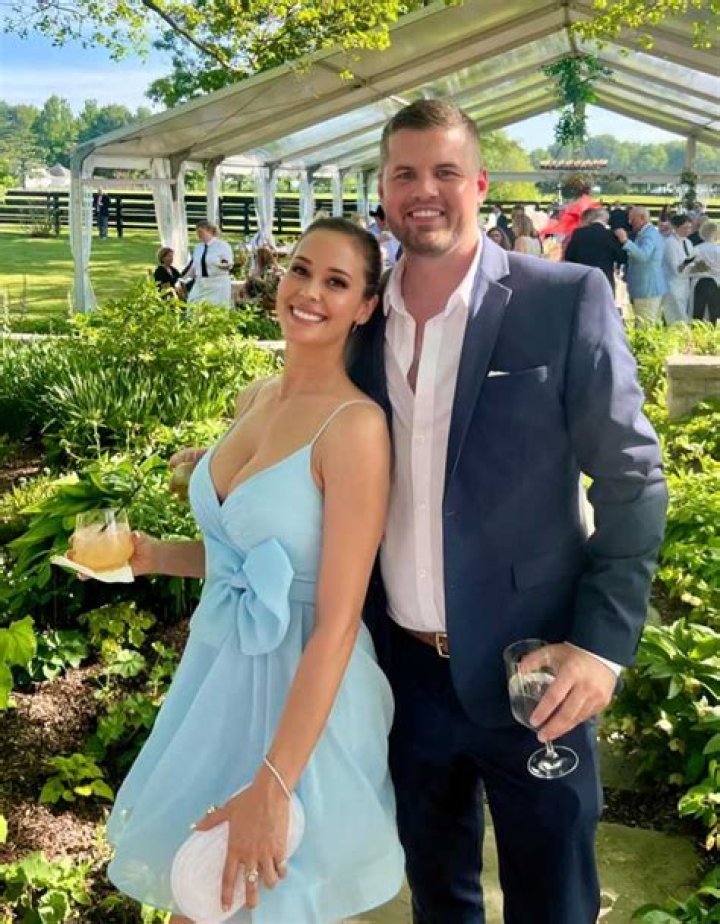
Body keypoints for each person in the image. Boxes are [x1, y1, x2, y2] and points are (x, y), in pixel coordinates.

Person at [347, 99, 667, 924]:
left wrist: (601, 647)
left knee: (554, 902)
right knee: (438, 897)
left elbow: (632, 477)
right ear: (382, 188)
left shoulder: (562, 298)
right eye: (405, 173)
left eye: (445, 172)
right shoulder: (360, 319)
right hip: (403, 675)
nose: (424, 190)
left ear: (481, 184)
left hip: (536, 671)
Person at [106, 217, 405, 923]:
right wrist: (154, 556)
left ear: (365, 307)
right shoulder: (256, 396)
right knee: (197, 894)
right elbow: (251, 560)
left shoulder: (356, 427)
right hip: (220, 678)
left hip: (302, 694)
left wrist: (275, 780)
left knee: (260, 901)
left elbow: (337, 619)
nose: (309, 292)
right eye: (301, 270)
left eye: (336, 282)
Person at [615, 206, 667, 323]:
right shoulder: (647, 233)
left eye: (633, 219)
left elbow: (643, 255)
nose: (630, 223)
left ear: (642, 218)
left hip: (647, 289)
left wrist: (625, 241)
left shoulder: (649, 235)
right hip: (648, 288)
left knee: (644, 325)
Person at [564, 207, 627, 296]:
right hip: (604, 279)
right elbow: (621, 258)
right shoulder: (610, 235)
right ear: (606, 220)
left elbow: (569, 256)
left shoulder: (579, 232)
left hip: (583, 277)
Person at [182, 220, 234, 307]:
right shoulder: (198, 247)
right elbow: (194, 266)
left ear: (210, 231)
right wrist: (183, 279)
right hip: (201, 283)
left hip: (218, 283)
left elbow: (228, 264)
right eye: (197, 232)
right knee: (192, 304)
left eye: (201, 232)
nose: (198, 235)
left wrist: (222, 265)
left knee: (216, 308)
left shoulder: (222, 245)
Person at [660, 213, 694, 325]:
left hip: (685, 283)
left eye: (689, 227)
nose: (687, 230)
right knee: (676, 314)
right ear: (676, 227)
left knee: (684, 312)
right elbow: (675, 267)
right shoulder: (670, 243)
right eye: (685, 227)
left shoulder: (688, 242)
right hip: (672, 283)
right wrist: (689, 265)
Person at [690, 220, 720, 323]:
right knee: (714, 313)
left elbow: (689, 267)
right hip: (716, 283)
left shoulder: (695, 249)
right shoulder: (718, 250)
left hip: (698, 282)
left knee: (698, 313)